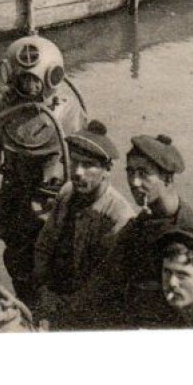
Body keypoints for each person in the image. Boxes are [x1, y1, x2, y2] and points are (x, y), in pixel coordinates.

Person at [0, 35, 86, 307]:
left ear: (51, 77)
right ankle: (26, 300)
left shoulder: (67, 110)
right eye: (23, 79)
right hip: (14, 191)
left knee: (53, 257)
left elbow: (82, 156)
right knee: (16, 256)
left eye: (35, 79)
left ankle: (49, 307)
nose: (29, 85)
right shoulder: (3, 107)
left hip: (51, 197)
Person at [61, 134, 193, 330]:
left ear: (167, 178)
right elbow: (104, 278)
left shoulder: (190, 237)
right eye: (131, 172)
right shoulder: (143, 222)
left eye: (144, 173)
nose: (134, 182)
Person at [33, 121, 136, 327]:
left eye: (88, 165)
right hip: (53, 294)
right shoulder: (67, 192)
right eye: (74, 162)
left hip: (88, 310)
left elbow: (107, 281)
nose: (78, 172)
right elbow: (45, 244)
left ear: (106, 170)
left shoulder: (120, 217)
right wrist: (43, 289)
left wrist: (69, 309)